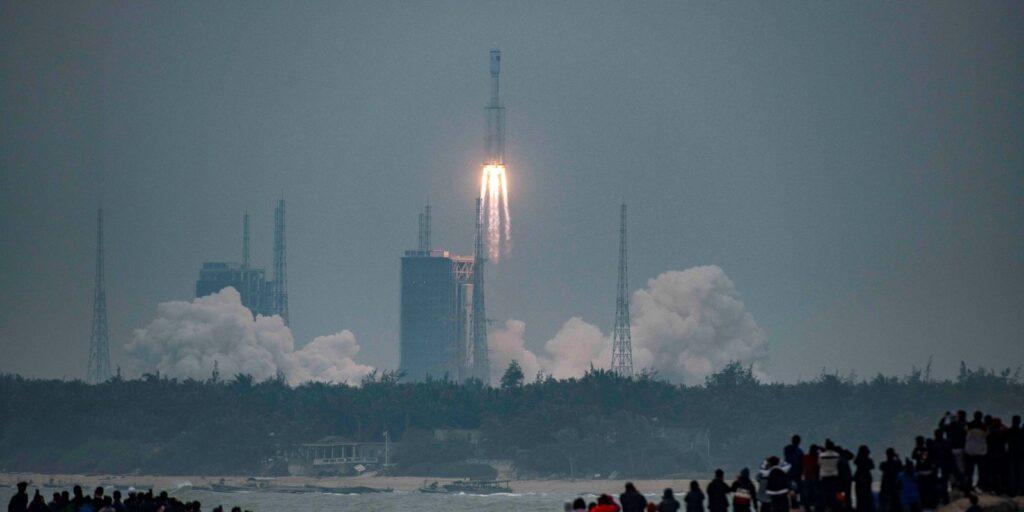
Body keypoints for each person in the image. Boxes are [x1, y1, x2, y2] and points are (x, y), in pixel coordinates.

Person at [963, 411, 987, 491]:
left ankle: (968, 486)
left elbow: (966, 434)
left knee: (969, 471)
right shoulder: (984, 426)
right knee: (981, 471)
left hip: (970, 450)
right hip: (980, 451)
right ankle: (980, 486)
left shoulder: (969, 425)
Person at [819, 441, 841, 512]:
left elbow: (819, 463)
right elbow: (838, 464)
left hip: (824, 476)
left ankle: (825, 507)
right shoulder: (837, 455)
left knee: (824, 493)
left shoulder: (821, 455)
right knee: (833, 493)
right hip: (834, 476)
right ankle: (834, 507)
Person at [785, 436, 804, 509]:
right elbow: (801, 463)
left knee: (790, 488)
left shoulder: (787, 449)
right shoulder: (800, 452)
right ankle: (797, 503)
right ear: (799, 442)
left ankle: (793, 502)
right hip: (797, 472)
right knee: (798, 488)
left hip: (788, 471)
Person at [854, 445, 874, 512]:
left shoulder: (858, 460)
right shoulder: (868, 460)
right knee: (867, 496)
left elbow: (855, 461)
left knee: (860, 496)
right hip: (866, 478)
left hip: (859, 478)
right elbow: (872, 466)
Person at [803, 445, 821, 512]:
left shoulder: (805, 457)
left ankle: (807, 507)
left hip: (807, 476)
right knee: (816, 493)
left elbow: (803, 466)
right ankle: (816, 507)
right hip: (815, 476)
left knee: (807, 493)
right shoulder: (817, 458)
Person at [1009, 415, 1024, 496]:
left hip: (1012, 454)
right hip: (1020, 454)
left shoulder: (1009, 431)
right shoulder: (1021, 432)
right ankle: (1020, 490)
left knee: (1013, 474)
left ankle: (1013, 490)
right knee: (1020, 473)